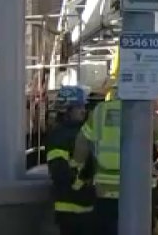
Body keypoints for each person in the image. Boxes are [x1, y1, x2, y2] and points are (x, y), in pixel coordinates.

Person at [46, 86, 94, 235]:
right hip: (70, 209)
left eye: (83, 106)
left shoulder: (83, 131)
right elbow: (59, 172)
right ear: (66, 110)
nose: (83, 110)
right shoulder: (60, 137)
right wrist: (80, 184)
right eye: (79, 107)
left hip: (86, 206)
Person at [73, 88, 122, 233]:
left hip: (104, 189)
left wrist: (76, 168)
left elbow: (82, 141)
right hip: (136, 190)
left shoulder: (100, 111)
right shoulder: (142, 110)